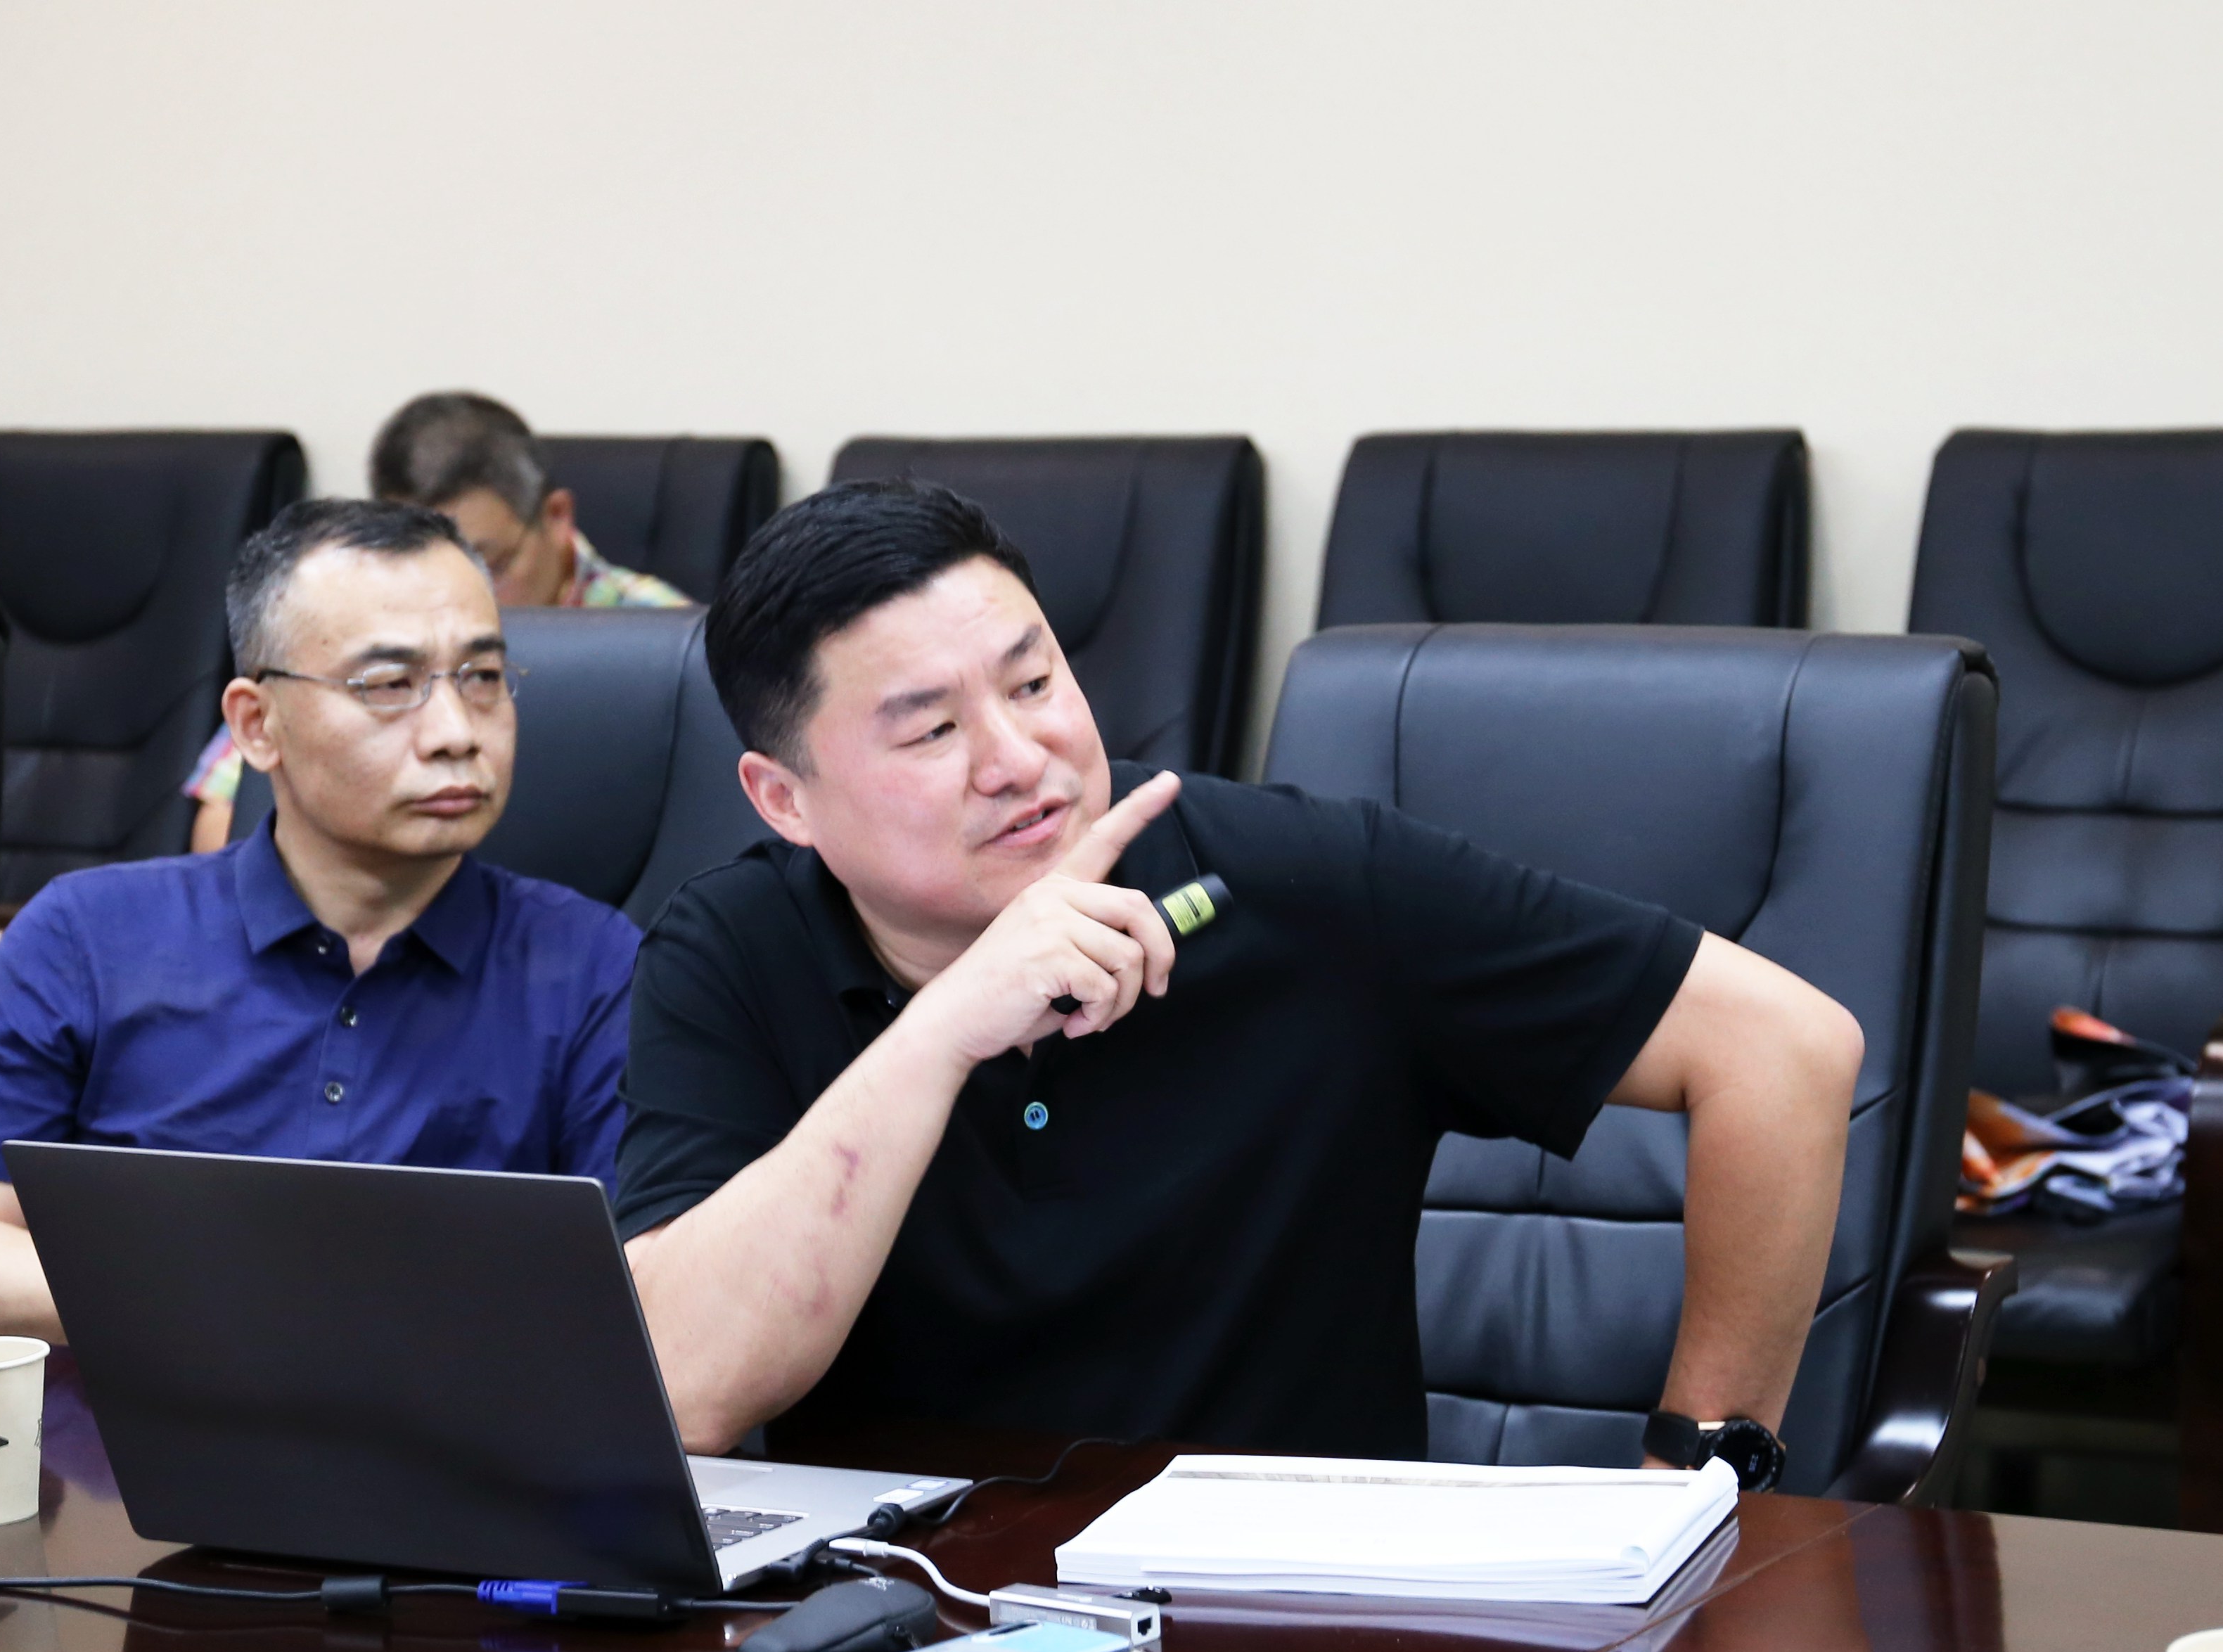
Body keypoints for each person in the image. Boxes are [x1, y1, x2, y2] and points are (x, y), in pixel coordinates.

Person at [617, 481, 1866, 1469]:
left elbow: (1784, 1049)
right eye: (934, 729)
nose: (1019, 758)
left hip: (1289, 1634)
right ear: (784, 799)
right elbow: (682, 1391)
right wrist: (943, 1032)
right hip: (899, 1629)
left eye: (1035, 683)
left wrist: (1699, 1473)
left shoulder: (1306, 886)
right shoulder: (731, 950)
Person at [0, 499, 641, 1345]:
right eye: (389, 685)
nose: (456, 732)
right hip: (121, 1432)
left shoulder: (597, 966)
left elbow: (631, 1299)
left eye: (482, 676)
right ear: (256, 724)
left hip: (446, 1428)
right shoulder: (87, 934)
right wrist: (246, 1293)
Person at [186, 392, 692, 850]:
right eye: (391, 683)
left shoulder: (675, 644)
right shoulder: (343, 627)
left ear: (557, 518)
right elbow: (223, 822)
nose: (461, 590)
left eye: (489, 563)